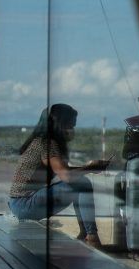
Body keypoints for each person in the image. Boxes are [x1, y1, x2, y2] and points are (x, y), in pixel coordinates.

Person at [9, 104, 107, 248]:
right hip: (24, 204)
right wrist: (90, 167)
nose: (72, 131)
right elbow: (67, 176)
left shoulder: (40, 141)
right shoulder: (47, 144)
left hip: (19, 204)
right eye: (70, 126)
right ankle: (91, 236)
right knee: (83, 183)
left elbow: (65, 172)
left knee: (80, 183)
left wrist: (88, 168)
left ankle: (85, 234)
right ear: (59, 124)